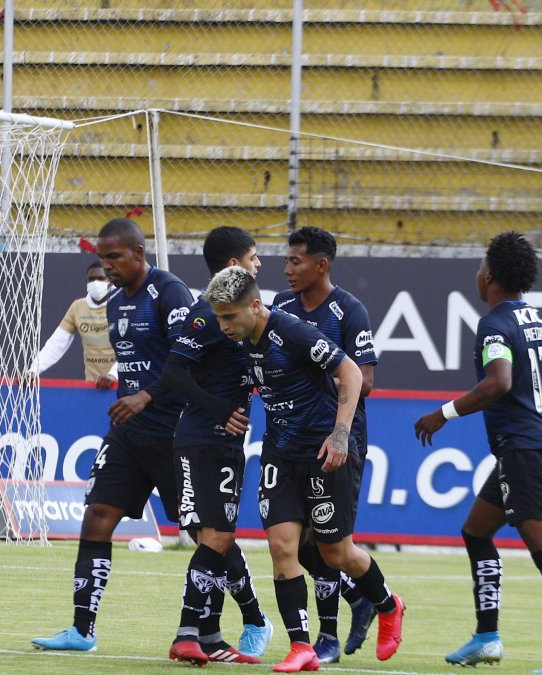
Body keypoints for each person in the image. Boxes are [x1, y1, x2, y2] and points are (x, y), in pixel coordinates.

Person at [414, 231, 542, 675]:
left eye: (479, 267)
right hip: (533, 442)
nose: (477, 274)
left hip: (525, 449)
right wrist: (541, 409)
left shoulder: (495, 324)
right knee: (476, 532)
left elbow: (497, 383)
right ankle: (487, 637)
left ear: (491, 275)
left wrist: (443, 413)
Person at [207, 266, 405, 672]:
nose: (224, 326)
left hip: (322, 453)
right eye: (219, 318)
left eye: (230, 317)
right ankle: (301, 647)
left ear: (256, 306)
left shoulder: (291, 332)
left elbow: (350, 371)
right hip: (279, 454)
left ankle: (388, 604)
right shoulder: (239, 338)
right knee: (283, 547)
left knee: (336, 553)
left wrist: (340, 435)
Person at [108, 226, 273, 665]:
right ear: (236, 263)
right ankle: (189, 632)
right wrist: (219, 410)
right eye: (255, 257)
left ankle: (211, 638)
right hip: (208, 439)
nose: (260, 264)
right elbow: (175, 373)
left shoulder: (236, 313)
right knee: (216, 537)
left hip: (208, 439)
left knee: (212, 537)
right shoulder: (208, 316)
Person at [30, 218, 194, 652]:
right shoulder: (118, 303)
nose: (106, 267)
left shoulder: (170, 292)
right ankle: (82, 630)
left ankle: (254, 618)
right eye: (101, 258)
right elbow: (136, 360)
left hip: (175, 432)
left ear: (139, 253)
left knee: (203, 531)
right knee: (97, 515)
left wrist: (146, 396)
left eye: (114, 257)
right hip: (127, 431)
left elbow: (187, 362)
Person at [271, 227, 378, 663]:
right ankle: (361, 597)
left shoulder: (349, 311)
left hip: (337, 437)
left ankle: (330, 633)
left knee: (325, 540)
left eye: (296, 261)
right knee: (295, 541)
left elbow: (365, 380)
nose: (287, 269)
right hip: (289, 438)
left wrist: (314, 371)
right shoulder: (279, 306)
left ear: (321, 264)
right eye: (286, 261)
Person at [26, 261, 117, 388]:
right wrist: (33, 370)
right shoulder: (78, 307)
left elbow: (132, 347)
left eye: (101, 279)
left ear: (111, 280)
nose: (96, 283)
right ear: (86, 282)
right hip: (93, 386)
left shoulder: (122, 303)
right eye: (91, 279)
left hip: (122, 385)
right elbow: (56, 343)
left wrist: (113, 375)